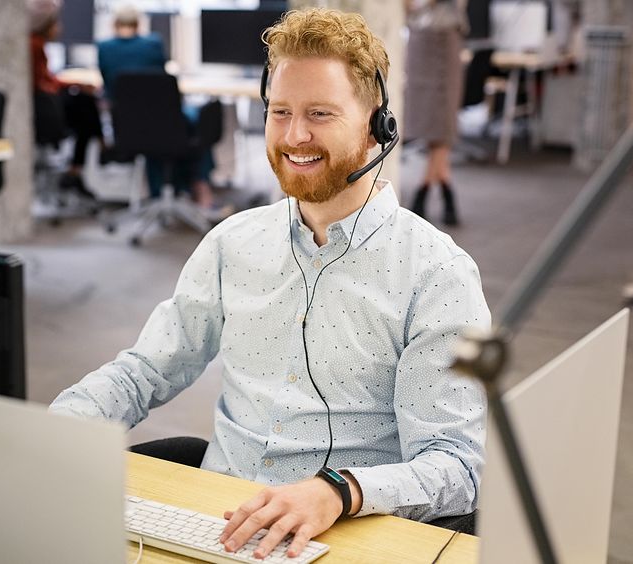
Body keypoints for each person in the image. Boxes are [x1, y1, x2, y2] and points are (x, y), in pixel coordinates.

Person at [50, 8, 489, 560]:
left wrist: (341, 491)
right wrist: (51, 432)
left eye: (320, 113)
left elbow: (456, 465)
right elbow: (146, 369)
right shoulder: (232, 243)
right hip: (220, 521)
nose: (294, 135)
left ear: (377, 122)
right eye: (279, 112)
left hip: (347, 535)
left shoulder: (435, 273)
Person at [97, 5, 223, 214]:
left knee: (158, 133)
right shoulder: (153, 44)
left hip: (128, 129)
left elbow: (109, 89)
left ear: (114, 25)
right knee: (195, 122)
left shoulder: (104, 48)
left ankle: (163, 192)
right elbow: (158, 80)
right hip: (165, 123)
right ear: (138, 25)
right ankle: (199, 186)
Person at [28, 0, 102, 199]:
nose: (60, 28)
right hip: (47, 113)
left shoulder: (37, 44)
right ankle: (100, 147)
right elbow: (44, 84)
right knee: (85, 105)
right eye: (56, 23)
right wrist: (73, 84)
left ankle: (83, 162)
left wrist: (72, 83)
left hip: (48, 106)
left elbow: (47, 80)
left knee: (85, 102)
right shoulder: (33, 45)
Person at [404, 0, 468, 226]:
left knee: (442, 124)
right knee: (429, 124)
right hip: (419, 42)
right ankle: (444, 186)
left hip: (444, 38)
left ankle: (423, 190)